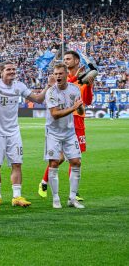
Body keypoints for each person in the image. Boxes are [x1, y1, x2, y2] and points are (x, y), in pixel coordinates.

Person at [0, 62, 51, 207]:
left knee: (17, 164)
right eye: (8, 69)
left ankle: (17, 196)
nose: (12, 72)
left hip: (14, 132)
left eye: (13, 69)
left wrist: (48, 86)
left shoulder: (19, 86)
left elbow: (39, 99)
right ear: (1, 72)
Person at [38, 50, 93, 201]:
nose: (66, 60)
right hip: (64, 119)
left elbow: (87, 101)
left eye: (68, 58)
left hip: (78, 119)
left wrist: (88, 84)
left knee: (72, 157)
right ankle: (68, 192)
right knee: (61, 157)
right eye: (64, 59)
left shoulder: (82, 78)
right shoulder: (63, 77)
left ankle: (45, 182)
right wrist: (80, 78)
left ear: (77, 61)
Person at [43, 63, 84, 209]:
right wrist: (73, 107)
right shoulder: (51, 92)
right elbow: (54, 114)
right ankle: (55, 198)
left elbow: (80, 111)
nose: (58, 76)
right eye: (56, 74)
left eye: (61, 73)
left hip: (69, 132)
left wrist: (78, 106)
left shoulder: (75, 89)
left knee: (76, 162)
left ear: (67, 74)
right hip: (53, 133)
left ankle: (72, 199)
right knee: (54, 163)